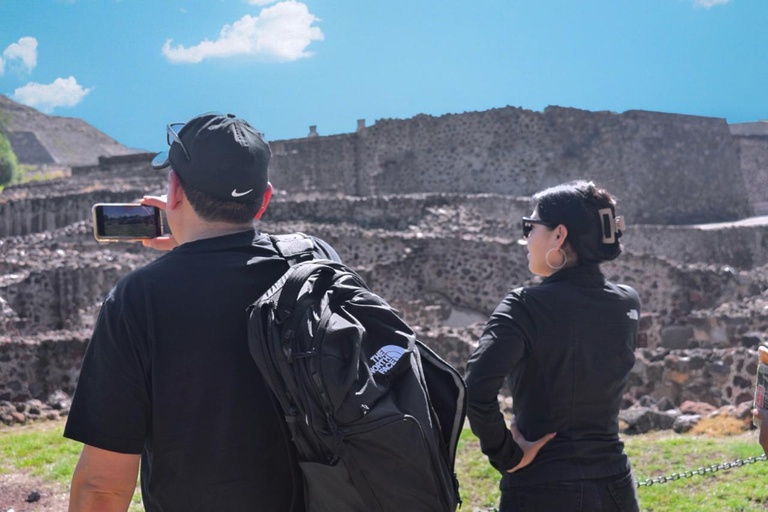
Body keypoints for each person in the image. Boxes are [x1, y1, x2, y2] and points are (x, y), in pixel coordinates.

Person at [64, 112, 340, 512]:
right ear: (264, 200)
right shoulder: (318, 262)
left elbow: (101, 489)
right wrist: (193, 238)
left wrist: (185, 239)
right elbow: (248, 255)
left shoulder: (138, 300)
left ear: (174, 190)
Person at [464, 180, 640, 512]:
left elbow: (475, 389)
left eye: (530, 226)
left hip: (541, 488)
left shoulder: (524, 306)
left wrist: (507, 453)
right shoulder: (628, 301)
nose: (525, 238)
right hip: (615, 487)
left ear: (559, 235)